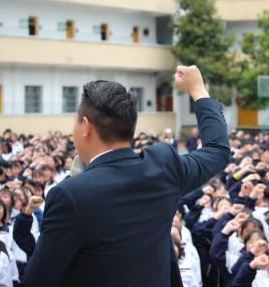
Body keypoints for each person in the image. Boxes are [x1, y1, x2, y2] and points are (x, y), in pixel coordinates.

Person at [24, 65, 231, 287]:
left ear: (86, 126)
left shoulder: (69, 195)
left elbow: (38, 279)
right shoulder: (162, 168)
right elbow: (217, 150)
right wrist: (198, 90)